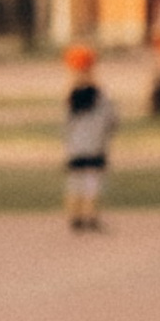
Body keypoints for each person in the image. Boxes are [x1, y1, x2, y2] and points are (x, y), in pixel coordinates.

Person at [62, 41, 113, 230]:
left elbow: (65, 125)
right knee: (92, 184)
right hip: (95, 147)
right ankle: (90, 216)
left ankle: (75, 216)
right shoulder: (101, 96)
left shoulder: (70, 97)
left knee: (74, 183)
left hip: (76, 148)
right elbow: (111, 120)